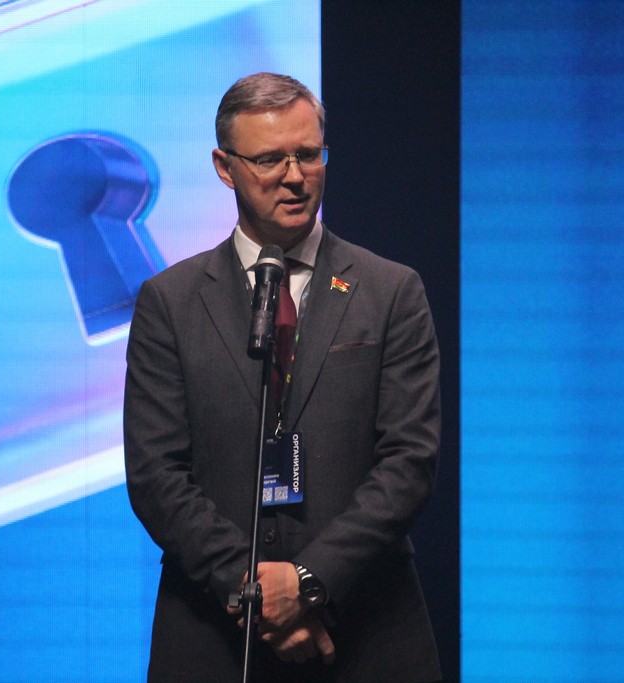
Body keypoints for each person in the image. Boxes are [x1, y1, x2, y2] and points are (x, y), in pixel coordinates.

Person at [124, 72, 442, 682]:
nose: (295, 177)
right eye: (270, 159)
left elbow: (409, 462)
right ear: (225, 167)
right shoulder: (170, 301)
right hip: (215, 636)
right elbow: (156, 474)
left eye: (309, 154)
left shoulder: (391, 291)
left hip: (366, 633)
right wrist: (255, 594)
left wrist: (308, 582)